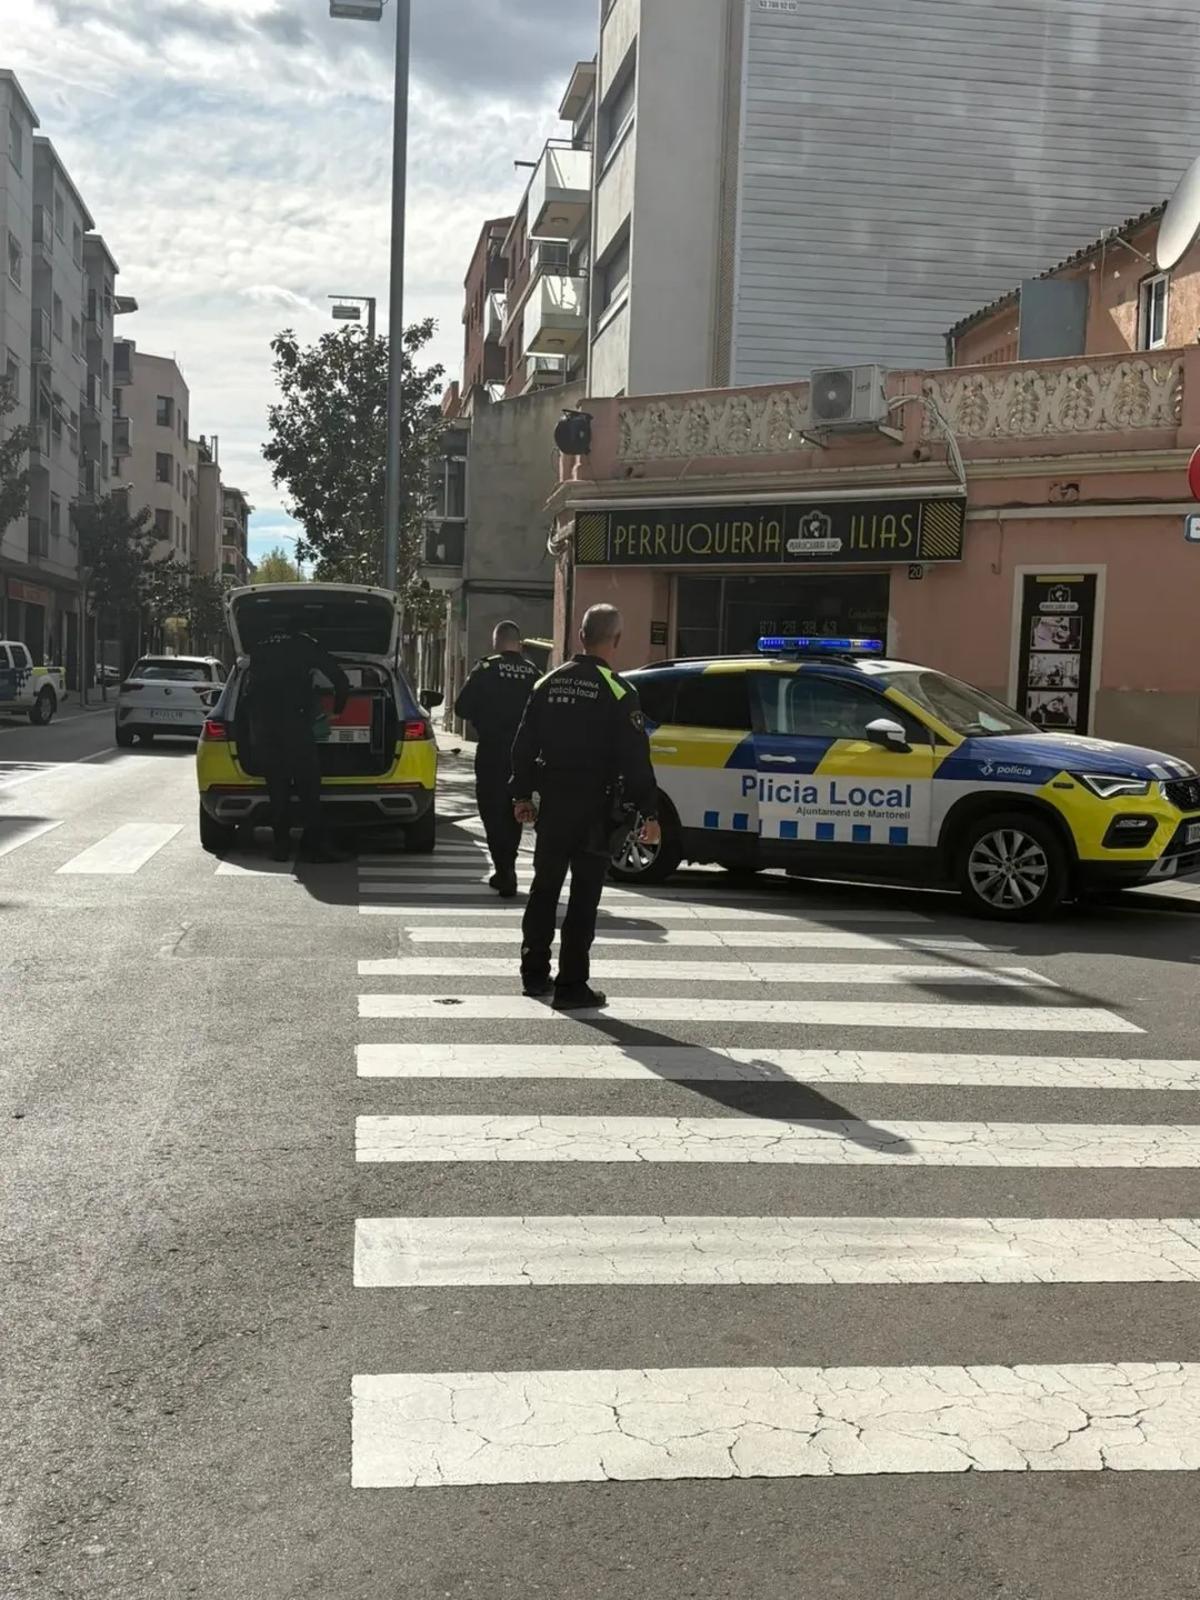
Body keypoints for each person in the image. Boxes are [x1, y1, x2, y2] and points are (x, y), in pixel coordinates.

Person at [510, 603, 660, 1011]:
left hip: (554, 802)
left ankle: (533, 975)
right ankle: (571, 984)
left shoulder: (547, 683)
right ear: (617, 640)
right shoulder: (619, 691)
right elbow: (635, 759)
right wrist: (649, 813)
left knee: (544, 889)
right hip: (596, 807)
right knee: (583, 896)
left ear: (580, 636)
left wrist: (521, 795)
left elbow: (522, 746)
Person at [245, 617, 351, 863]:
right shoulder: (304, 645)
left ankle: (280, 846)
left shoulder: (260, 646)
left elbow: (252, 686)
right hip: (295, 723)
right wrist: (337, 709)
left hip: (264, 726)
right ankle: (315, 846)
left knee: (277, 787)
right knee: (308, 786)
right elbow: (339, 678)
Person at [453, 621, 538, 897]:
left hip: (492, 752)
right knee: (515, 809)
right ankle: (507, 866)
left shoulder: (486, 668)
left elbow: (461, 707)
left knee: (491, 811)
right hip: (523, 757)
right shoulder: (534, 673)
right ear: (519, 643)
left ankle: (504, 870)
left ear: (496, 642)